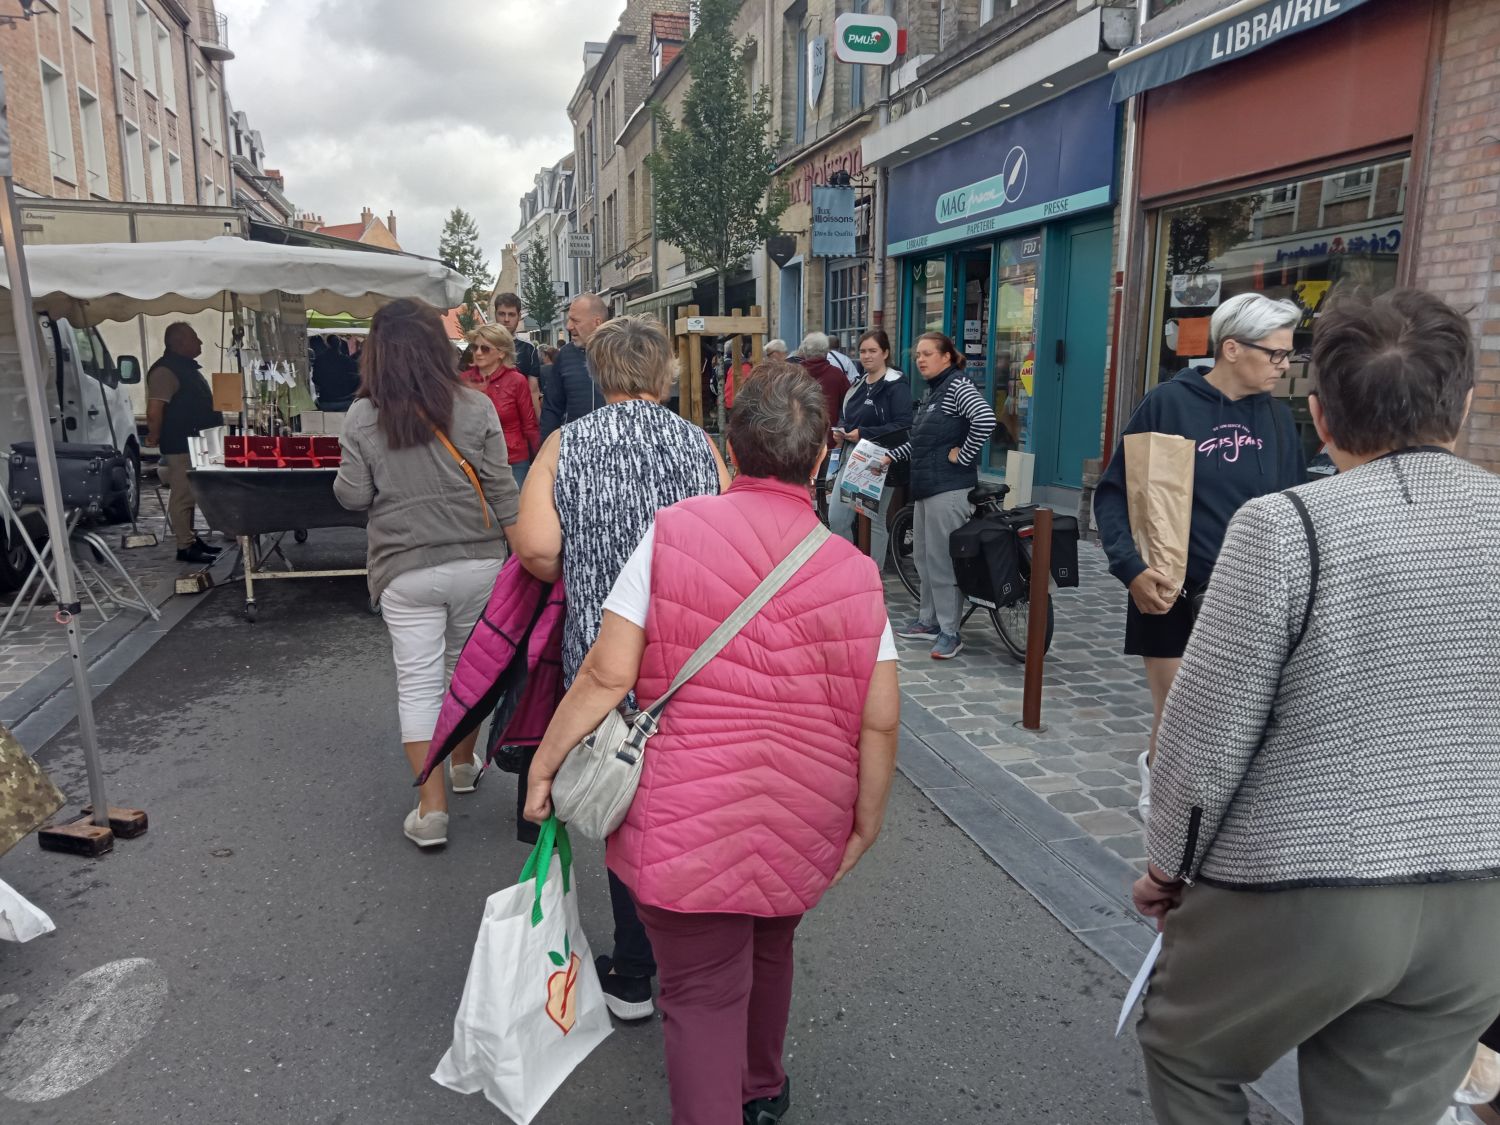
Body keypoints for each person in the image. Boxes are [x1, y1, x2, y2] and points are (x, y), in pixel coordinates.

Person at [1131, 287, 1500, 1125]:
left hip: (1309, 882)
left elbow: (1204, 735)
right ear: (1465, 405)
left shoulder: (1286, 525)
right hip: (1478, 900)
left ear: (1322, 417)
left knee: (1187, 1051)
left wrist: (1168, 865)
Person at [523, 365, 900, 1125]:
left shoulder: (674, 532)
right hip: (803, 808)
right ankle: (761, 1087)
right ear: (819, 458)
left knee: (699, 990)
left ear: (730, 447)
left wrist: (544, 764)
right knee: (770, 942)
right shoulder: (855, 571)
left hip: (685, 812)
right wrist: (866, 818)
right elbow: (880, 716)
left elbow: (606, 673)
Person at [511, 314, 730, 1022]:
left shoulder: (565, 444)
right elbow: (732, 545)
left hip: (604, 661)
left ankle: (634, 971)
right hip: (692, 659)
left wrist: (586, 560)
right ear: (666, 374)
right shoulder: (701, 445)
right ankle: (698, 956)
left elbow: (538, 550)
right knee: (690, 804)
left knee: (623, 802)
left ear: (598, 374)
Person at [1092, 293, 1305, 813]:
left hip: (1249, 598)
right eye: (1275, 353)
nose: (1284, 365)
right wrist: (1131, 569)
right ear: (1232, 348)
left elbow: (1295, 507)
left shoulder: (1279, 421)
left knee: (1240, 719)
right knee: (1179, 714)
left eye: (1288, 354)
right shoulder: (1170, 404)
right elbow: (1114, 493)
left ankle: (1217, 817)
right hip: (1170, 591)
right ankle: (1163, 811)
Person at [333, 299, 521, 849]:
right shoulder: (476, 405)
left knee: (419, 683)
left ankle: (431, 808)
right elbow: (502, 490)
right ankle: (463, 763)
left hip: (404, 565)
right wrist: (527, 557)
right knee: (469, 669)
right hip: (478, 561)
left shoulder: (362, 416)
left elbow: (353, 496)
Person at [885, 332, 996, 660]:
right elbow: (922, 442)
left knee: (942, 561)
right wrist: (891, 456)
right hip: (926, 488)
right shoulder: (935, 391)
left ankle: (950, 631)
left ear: (946, 356)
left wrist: (964, 455)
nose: (920, 359)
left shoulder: (957, 386)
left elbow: (986, 419)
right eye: (918, 354)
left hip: (947, 489)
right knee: (923, 557)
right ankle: (929, 621)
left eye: (928, 353)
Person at [827, 329, 912, 571]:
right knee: (837, 518)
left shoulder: (896, 385)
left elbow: (903, 425)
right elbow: (846, 416)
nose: (866, 356)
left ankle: (872, 575)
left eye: (873, 351)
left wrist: (863, 433)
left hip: (881, 460)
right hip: (853, 457)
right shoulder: (858, 384)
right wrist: (842, 431)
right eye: (863, 351)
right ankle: (848, 571)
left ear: (885, 353)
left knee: (873, 520)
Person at [145, 322, 223, 564]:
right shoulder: (165, 371)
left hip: (196, 441)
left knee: (191, 494)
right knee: (182, 495)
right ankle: (184, 545)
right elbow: (155, 410)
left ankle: (191, 538)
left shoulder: (185, 367)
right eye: (195, 338)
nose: (200, 342)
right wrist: (154, 435)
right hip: (181, 443)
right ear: (179, 343)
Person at [461, 324, 540, 490]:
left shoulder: (517, 381)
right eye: (475, 347)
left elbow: (529, 425)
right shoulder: (463, 381)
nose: (478, 352)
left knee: (514, 505)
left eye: (485, 348)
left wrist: (538, 459)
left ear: (501, 353)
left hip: (512, 460)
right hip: (474, 461)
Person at [540, 293, 607, 437]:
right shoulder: (565, 355)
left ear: (597, 322)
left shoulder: (622, 353)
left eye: (575, 321)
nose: (568, 326)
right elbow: (552, 408)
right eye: (569, 319)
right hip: (574, 444)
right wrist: (547, 444)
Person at [796, 332, 849, 447]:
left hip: (798, 439)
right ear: (826, 352)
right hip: (830, 439)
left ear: (804, 351)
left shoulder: (794, 374)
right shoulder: (837, 375)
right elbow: (849, 404)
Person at [493, 292, 542, 412]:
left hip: (518, 415)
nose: (506, 319)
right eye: (502, 314)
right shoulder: (480, 346)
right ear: (495, 314)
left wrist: (537, 421)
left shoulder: (529, 349)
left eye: (511, 314)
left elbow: (533, 391)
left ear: (519, 316)